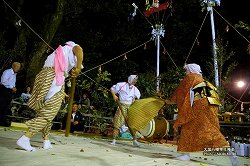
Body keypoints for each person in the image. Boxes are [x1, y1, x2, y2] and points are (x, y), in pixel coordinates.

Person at [16, 41, 84, 152]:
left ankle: (46, 140)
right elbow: (78, 49)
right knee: (50, 112)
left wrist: (73, 71)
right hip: (54, 77)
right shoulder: (72, 47)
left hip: (43, 76)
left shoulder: (59, 53)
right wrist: (78, 68)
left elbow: (71, 68)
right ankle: (25, 138)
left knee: (45, 111)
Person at [165, 63, 229, 160]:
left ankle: (186, 155)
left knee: (188, 125)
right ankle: (228, 152)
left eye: (186, 71)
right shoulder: (203, 81)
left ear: (190, 71)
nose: (186, 73)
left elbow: (180, 94)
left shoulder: (191, 77)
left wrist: (168, 101)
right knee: (210, 128)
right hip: (212, 104)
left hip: (200, 104)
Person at [110, 75, 141, 146]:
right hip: (122, 106)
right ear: (130, 79)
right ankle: (114, 140)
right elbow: (112, 89)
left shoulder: (135, 89)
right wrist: (114, 95)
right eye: (134, 80)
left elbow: (137, 98)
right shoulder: (121, 85)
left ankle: (135, 140)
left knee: (132, 124)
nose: (135, 81)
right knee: (117, 123)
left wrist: (134, 101)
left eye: (135, 80)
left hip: (130, 107)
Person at [0, 62, 21, 127]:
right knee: (1, 106)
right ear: (13, 66)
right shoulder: (7, 72)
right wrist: (12, 87)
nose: (18, 69)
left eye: (19, 67)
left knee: (6, 107)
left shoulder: (14, 74)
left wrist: (13, 88)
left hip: (9, 92)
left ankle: (1, 121)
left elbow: (11, 83)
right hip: (4, 91)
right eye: (17, 67)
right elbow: (3, 81)